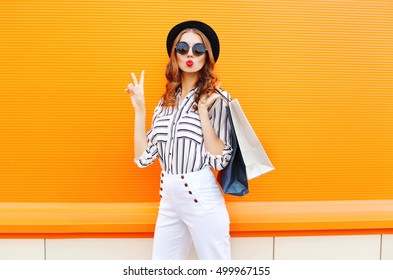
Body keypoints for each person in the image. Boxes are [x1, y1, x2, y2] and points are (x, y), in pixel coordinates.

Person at [125, 20, 233, 260]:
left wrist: (204, 112)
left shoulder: (217, 98)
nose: (190, 55)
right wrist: (140, 111)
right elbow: (143, 159)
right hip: (169, 200)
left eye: (198, 49)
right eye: (183, 48)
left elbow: (220, 161)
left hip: (201, 197)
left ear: (207, 56)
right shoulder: (165, 103)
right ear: (175, 54)